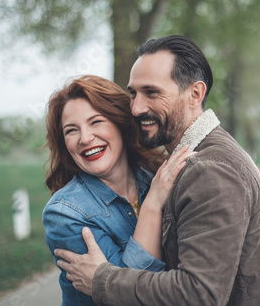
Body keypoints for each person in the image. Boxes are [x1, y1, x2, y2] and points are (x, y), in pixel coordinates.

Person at [55, 35, 260, 305]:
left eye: (152, 92)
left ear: (195, 94)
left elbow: (197, 294)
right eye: (133, 93)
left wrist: (102, 279)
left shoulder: (210, 169)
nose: (136, 108)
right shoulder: (197, 158)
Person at [42, 75, 195, 305]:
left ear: (120, 123)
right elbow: (126, 295)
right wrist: (152, 205)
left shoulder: (158, 175)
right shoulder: (64, 214)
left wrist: (237, 163)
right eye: (71, 130)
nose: (85, 138)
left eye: (96, 122)